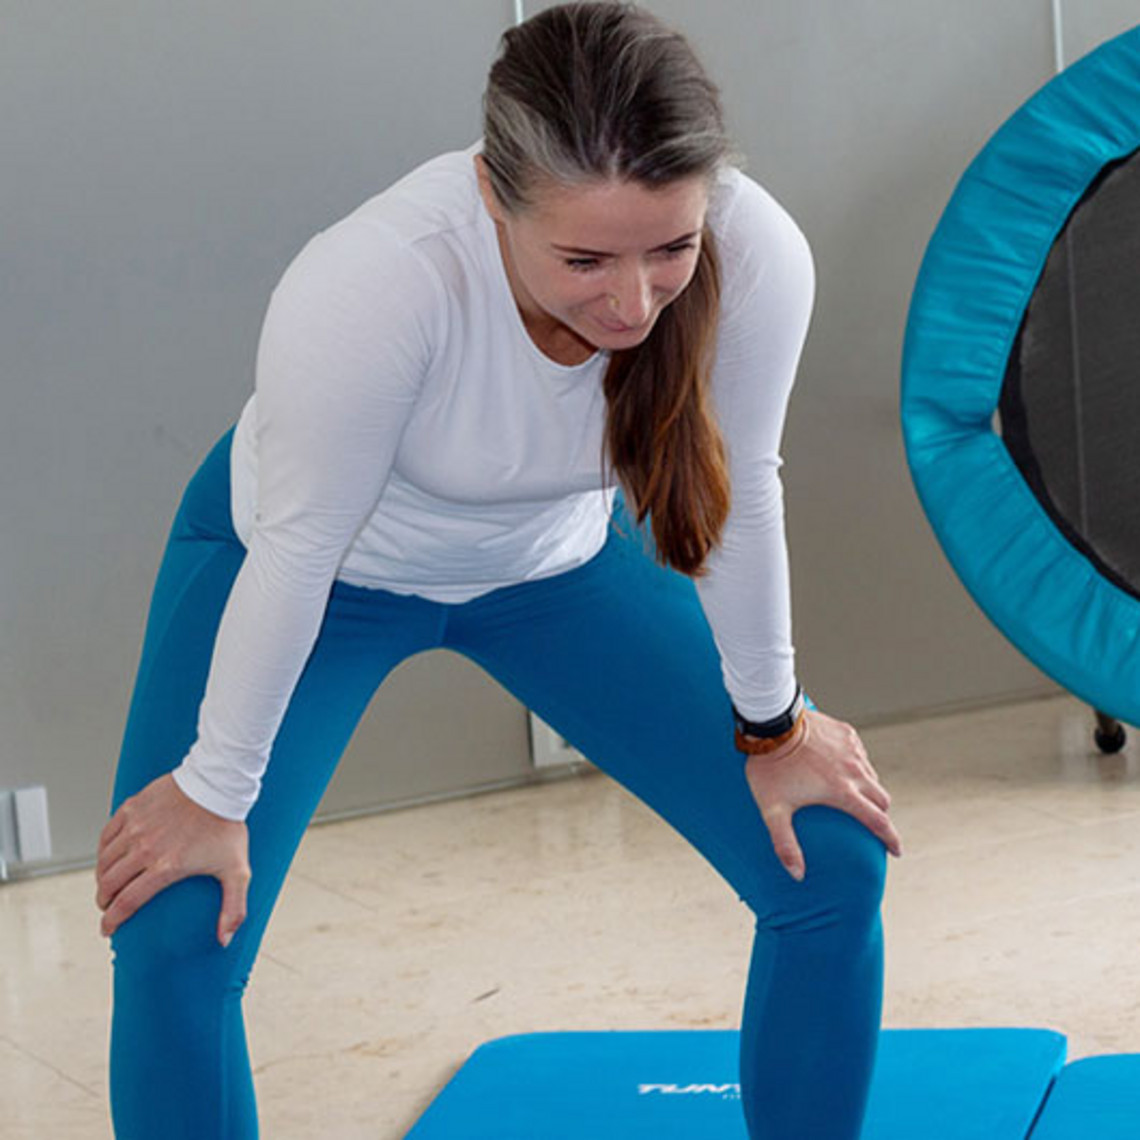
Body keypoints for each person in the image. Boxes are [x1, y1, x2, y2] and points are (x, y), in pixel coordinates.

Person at [95, 3, 902, 1136]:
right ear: (493, 197)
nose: (632, 303)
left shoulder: (758, 252)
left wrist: (773, 728)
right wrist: (214, 793)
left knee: (826, 854)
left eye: (669, 248)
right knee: (178, 924)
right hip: (313, 575)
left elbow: (738, 488)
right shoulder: (380, 281)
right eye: (584, 258)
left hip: (555, 570)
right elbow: (299, 548)